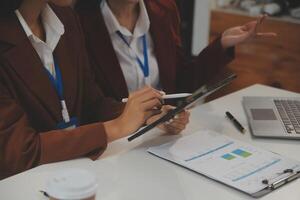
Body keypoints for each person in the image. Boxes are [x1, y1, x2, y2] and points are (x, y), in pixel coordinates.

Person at [0, 0, 189, 179]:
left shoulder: (65, 17)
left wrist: (146, 116)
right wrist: (115, 127)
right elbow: (21, 153)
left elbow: (92, 104)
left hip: (74, 175)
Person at [75, 0, 276, 101]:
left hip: (162, 136)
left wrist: (222, 44)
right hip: (116, 143)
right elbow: (91, 106)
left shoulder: (163, 9)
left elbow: (180, 82)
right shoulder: (81, 22)